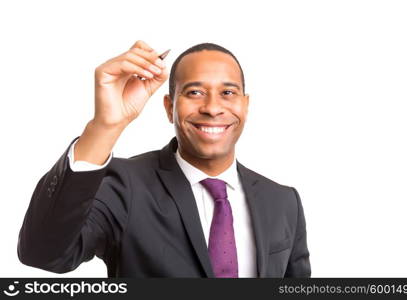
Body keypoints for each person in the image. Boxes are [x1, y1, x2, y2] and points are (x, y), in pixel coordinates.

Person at [17, 40, 311, 278]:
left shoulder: (283, 201)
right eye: (194, 92)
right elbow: (43, 254)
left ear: (245, 106)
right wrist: (105, 125)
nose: (212, 107)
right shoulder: (125, 186)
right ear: (169, 107)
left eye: (227, 92)